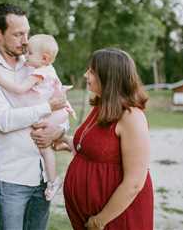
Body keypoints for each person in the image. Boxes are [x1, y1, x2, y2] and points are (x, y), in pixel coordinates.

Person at [0, 3, 67, 230]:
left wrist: (59, 131)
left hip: (43, 176)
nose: (25, 41)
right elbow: (4, 121)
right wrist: (47, 106)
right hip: (12, 178)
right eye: (18, 34)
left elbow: (62, 108)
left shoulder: (38, 63)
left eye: (28, 33)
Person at [57, 48, 154, 230]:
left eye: (92, 71)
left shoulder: (132, 117)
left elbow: (135, 182)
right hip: (88, 215)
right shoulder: (101, 106)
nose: (86, 75)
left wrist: (99, 220)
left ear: (109, 77)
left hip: (115, 217)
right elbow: (93, 148)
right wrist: (63, 140)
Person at [0, 33, 76, 201]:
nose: (24, 55)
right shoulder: (49, 69)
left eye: (29, 53)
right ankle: (66, 144)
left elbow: (19, 89)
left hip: (53, 113)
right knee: (47, 142)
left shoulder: (39, 73)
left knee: (43, 144)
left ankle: (53, 180)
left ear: (44, 58)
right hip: (59, 112)